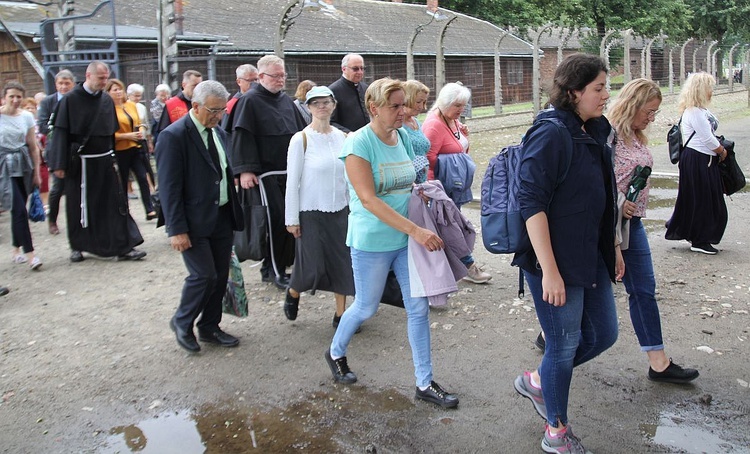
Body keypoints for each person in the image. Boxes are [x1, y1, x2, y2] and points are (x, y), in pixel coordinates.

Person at [324, 78, 458, 409]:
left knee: (417, 307)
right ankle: (336, 351)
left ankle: (424, 383)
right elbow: (368, 200)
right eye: (395, 106)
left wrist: (428, 198)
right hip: (372, 240)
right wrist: (417, 230)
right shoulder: (358, 144)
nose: (404, 111)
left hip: (406, 238)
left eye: (404, 104)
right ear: (373, 108)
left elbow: (407, 181)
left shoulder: (400, 137)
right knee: (366, 306)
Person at [512, 54, 621, 454]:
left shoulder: (593, 128)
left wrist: (612, 246)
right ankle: (556, 431)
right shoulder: (551, 132)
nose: (607, 95)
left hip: (588, 253)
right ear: (573, 92)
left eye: (606, 87)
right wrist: (549, 271)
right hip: (552, 260)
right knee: (562, 344)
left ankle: (539, 381)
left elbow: (600, 196)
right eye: (599, 88)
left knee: (604, 334)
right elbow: (531, 203)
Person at [605, 78, 700, 383]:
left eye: (655, 112)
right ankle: (549, 334)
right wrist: (619, 203)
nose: (652, 118)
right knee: (586, 288)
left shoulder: (635, 135)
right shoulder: (606, 136)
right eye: (648, 111)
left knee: (643, 289)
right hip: (605, 227)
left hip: (635, 225)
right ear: (631, 105)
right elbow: (594, 183)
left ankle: (658, 363)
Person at [155, 80, 244, 353]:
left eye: (222, 111)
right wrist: (176, 229)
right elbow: (169, 188)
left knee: (219, 276)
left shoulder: (218, 132)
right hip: (193, 220)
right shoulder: (174, 136)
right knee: (202, 275)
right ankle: (182, 322)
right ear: (195, 106)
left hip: (221, 215)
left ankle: (209, 326)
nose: (219, 116)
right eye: (214, 111)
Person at [46, 61, 146, 263]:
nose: (104, 82)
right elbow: (60, 134)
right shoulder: (70, 100)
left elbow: (110, 133)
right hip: (80, 164)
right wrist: (58, 165)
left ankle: (123, 246)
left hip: (104, 161)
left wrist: (113, 159)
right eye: (101, 78)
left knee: (114, 204)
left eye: (106, 78)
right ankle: (78, 245)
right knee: (78, 205)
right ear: (88, 75)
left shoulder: (106, 101)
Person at [229, 54, 306, 289]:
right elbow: (241, 137)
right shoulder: (249, 101)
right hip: (266, 175)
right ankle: (273, 270)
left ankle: (284, 265)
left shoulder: (285, 101)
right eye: (276, 75)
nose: (281, 80)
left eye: (283, 75)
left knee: (291, 219)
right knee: (274, 223)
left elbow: (300, 132)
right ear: (261, 76)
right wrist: (244, 171)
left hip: (289, 173)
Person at [283, 86, 355, 327]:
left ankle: (341, 314)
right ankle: (294, 291)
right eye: (316, 103)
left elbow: (350, 176)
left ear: (334, 105)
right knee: (310, 264)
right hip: (311, 211)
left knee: (342, 262)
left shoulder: (344, 137)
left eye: (326, 102)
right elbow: (292, 182)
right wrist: (291, 219)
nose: (321, 107)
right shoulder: (300, 139)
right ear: (308, 107)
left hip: (341, 210)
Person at [422, 82, 491, 285]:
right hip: (442, 188)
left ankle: (457, 267)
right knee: (452, 229)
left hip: (455, 185)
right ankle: (468, 266)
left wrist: (464, 136)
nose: (461, 109)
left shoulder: (453, 120)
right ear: (445, 103)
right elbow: (428, 159)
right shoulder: (434, 124)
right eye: (457, 105)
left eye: (464, 105)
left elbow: (458, 150)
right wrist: (432, 190)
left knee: (456, 226)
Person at [665, 72, 728, 255]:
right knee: (704, 201)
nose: (712, 91)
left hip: (704, 159)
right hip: (698, 159)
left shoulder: (700, 110)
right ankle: (700, 239)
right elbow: (707, 139)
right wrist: (722, 151)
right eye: (709, 87)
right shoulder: (694, 112)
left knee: (702, 199)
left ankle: (697, 234)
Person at [0, 81, 43, 270]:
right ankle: (31, 254)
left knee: (20, 206)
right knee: (18, 209)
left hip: (23, 164)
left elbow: (33, 146)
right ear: (4, 98)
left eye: (19, 96)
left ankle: (15, 250)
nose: (16, 100)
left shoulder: (26, 116)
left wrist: (37, 172)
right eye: (12, 96)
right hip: (3, 166)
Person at [106, 79, 156, 221]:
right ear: (108, 92)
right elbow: (108, 133)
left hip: (135, 147)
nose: (118, 92)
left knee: (142, 177)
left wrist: (141, 131)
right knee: (122, 182)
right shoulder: (108, 109)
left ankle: (149, 209)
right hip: (120, 150)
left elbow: (139, 123)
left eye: (119, 89)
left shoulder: (131, 105)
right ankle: (124, 212)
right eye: (114, 89)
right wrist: (127, 135)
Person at [37, 69, 75, 236]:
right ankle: (52, 220)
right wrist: (60, 130)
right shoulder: (48, 102)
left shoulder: (76, 100)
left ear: (72, 84)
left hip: (73, 149)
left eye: (67, 83)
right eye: (60, 83)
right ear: (56, 85)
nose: (64, 86)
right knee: (57, 188)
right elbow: (43, 125)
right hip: (56, 149)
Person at [154, 70, 202, 140]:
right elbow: (164, 133)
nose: (197, 89)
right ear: (184, 85)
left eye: (200, 86)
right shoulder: (171, 104)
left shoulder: (203, 103)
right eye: (194, 85)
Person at [329, 53, 369, 133]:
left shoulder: (366, 88)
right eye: (355, 69)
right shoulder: (333, 91)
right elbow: (330, 122)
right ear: (344, 69)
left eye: (362, 68)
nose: (360, 72)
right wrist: (349, 133)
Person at [401, 80, 430, 183]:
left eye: (424, 102)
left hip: (422, 182)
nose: (421, 106)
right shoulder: (397, 126)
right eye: (418, 102)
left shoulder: (417, 122)